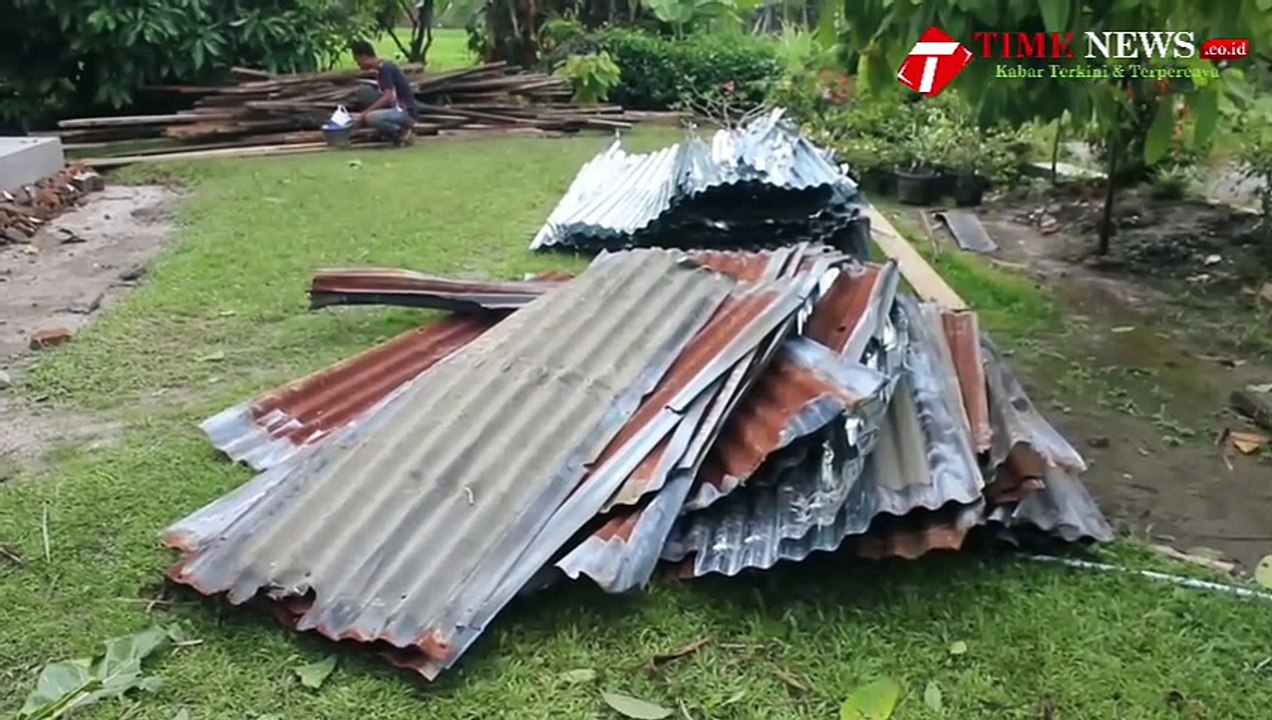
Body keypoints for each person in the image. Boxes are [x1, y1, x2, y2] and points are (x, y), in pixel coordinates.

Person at [348, 40, 416, 146]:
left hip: (405, 112)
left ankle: (402, 133)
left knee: (371, 117)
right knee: (364, 92)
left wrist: (363, 114)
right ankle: (387, 132)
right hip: (395, 108)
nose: (358, 65)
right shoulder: (380, 69)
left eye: (358, 61)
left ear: (364, 57)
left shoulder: (385, 68)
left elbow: (388, 96)